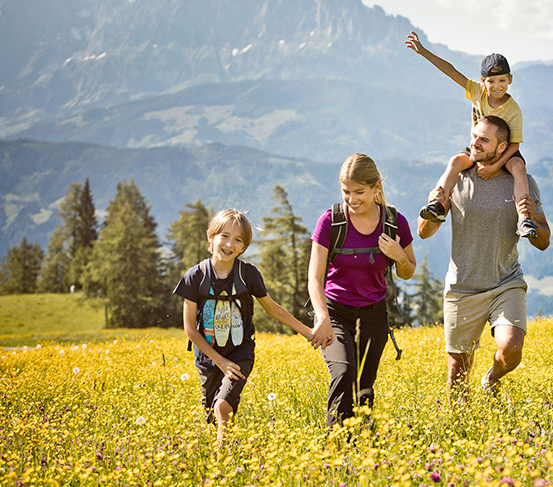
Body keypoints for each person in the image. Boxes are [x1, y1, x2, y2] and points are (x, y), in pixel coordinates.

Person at [417, 116, 551, 403]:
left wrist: (532, 225)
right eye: (474, 136)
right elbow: (424, 232)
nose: (474, 143)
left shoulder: (522, 183)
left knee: (512, 348)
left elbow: (544, 240)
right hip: (462, 286)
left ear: (502, 147)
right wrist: (434, 205)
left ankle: (491, 378)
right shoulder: (458, 178)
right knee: (457, 373)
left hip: (505, 282)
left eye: (484, 140)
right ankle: (459, 432)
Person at [174, 209, 325, 446]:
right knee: (212, 415)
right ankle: (227, 454)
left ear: (243, 247)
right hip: (208, 357)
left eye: (238, 240)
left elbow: (273, 309)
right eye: (224, 236)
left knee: (222, 405)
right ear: (210, 238)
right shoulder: (195, 277)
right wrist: (219, 362)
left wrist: (309, 333)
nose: (229, 244)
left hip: (240, 353)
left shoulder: (248, 274)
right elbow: (190, 329)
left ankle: (222, 457)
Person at [308, 153, 417, 428]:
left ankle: (363, 450)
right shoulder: (330, 222)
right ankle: (337, 447)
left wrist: (398, 255)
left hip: (374, 316)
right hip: (335, 314)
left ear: (375, 187)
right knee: (344, 374)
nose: (352, 199)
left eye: (359, 192)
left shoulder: (395, 223)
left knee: (364, 388)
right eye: (346, 192)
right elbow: (314, 276)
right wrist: (321, 317)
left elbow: (408, 271)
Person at [405, 31, 538, 238]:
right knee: (455, 161)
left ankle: (523, 218)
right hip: (478, 149)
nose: (496, 86)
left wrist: (495, 165)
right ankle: (438, 204)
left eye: (501, 80)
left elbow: (514, 145)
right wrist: (423, 52)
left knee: (519, 167)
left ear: (510, 79)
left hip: (504, 152)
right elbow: (451, 70)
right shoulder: (477, 92)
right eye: (491, 81)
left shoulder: (513, 109)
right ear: (482, 81)